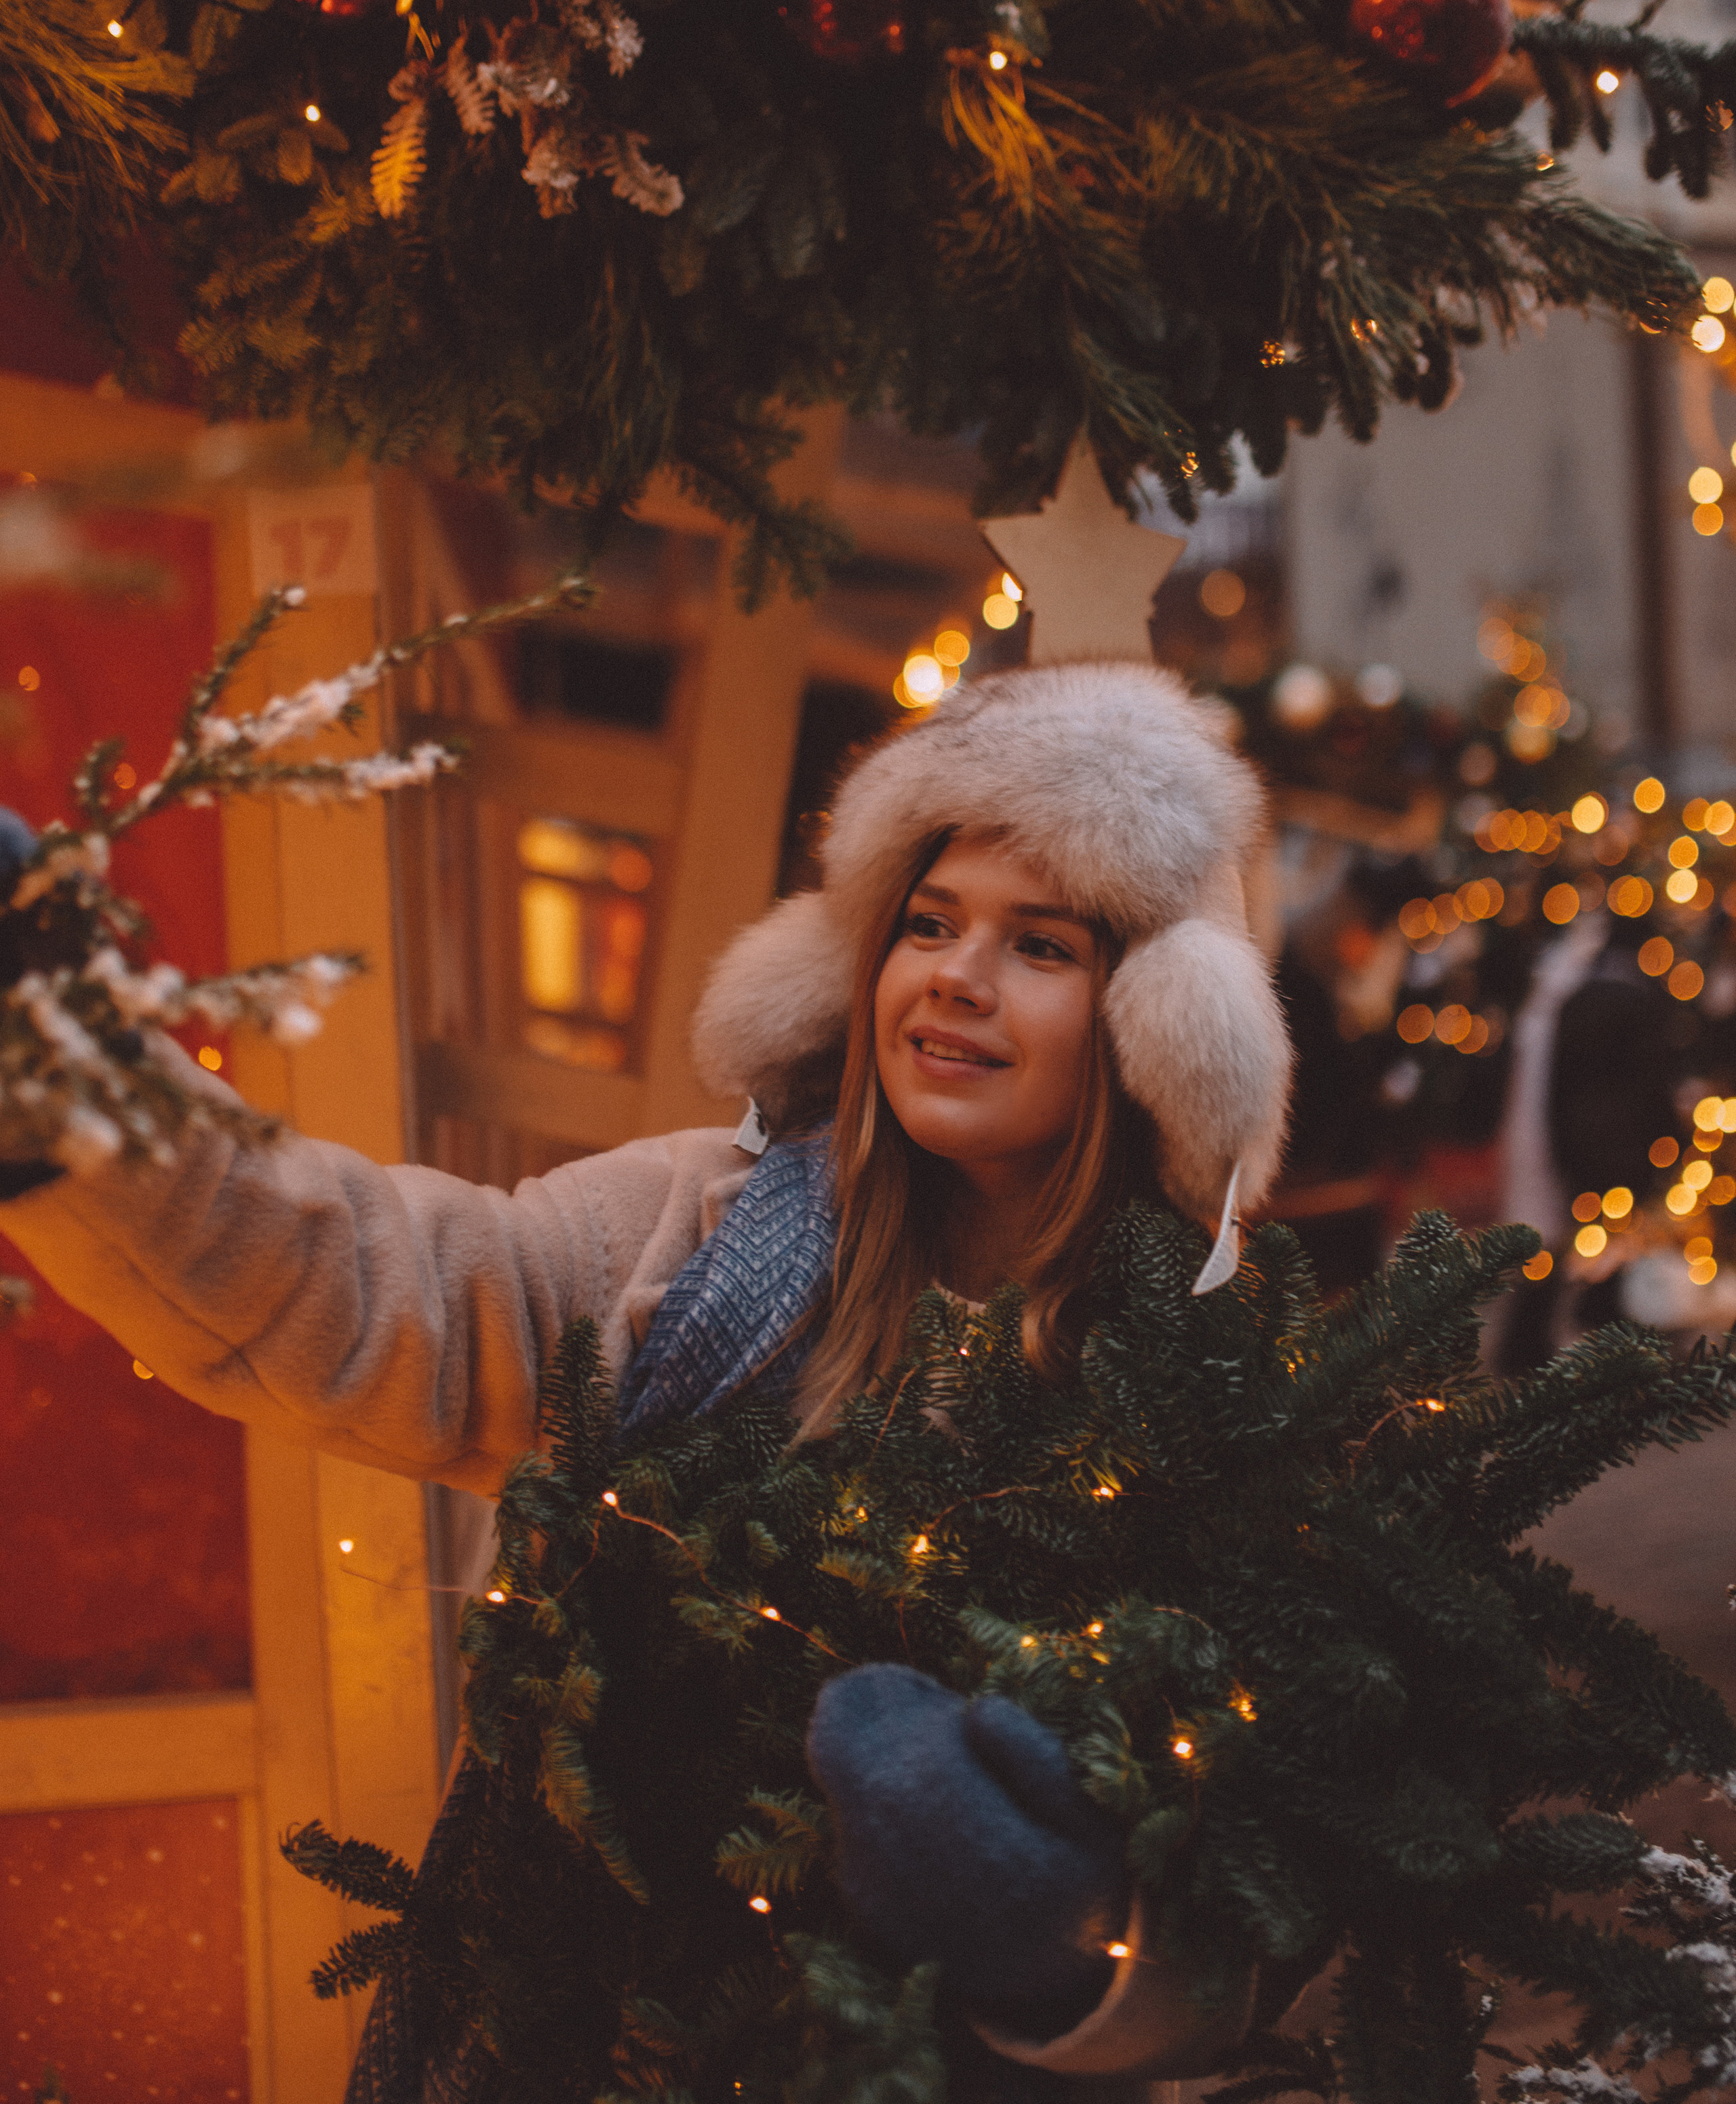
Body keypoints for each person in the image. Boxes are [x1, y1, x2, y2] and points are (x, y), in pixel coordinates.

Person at [0, 662, 1293, 2100]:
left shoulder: (1208, 1399)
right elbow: (352, 1277)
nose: (953, 975)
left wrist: (1069, 1947)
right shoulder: (690, 1239)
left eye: (1038, 946)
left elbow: (1299, 1886)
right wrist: (63, 1059)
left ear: (1148, 1026)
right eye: (926, 923)